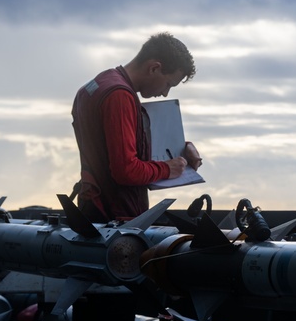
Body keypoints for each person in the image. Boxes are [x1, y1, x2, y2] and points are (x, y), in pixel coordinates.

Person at [71, 32, 202, 222]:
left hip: (93, 211)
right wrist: (167, 169)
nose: (165, 93)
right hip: (115, 220)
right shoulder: (120, 96)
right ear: (154, 68)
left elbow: (113, 143)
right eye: (168, 84)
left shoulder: (96, 85)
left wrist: (181, 147)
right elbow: (126, 170)